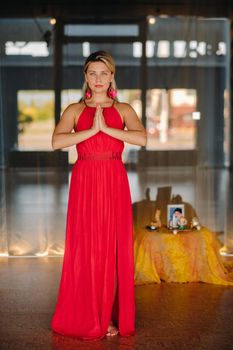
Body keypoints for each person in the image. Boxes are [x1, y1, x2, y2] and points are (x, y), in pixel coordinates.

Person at [50, 50, 147, 341]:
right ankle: (92, 315)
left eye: (104, 73)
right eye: (92, 73)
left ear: (112, 76)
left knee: (112, 248)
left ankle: (108, 313)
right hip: (85, 179)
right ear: (85, 77)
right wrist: (92, 130)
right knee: (89, 247)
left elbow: (142, 138)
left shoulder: (125, 108)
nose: (98, 79)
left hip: (114, 178)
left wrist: (107, 128)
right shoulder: (75, 110)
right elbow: (57, 141)